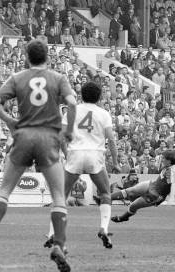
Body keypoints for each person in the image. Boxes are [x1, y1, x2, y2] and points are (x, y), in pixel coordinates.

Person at [0, 39, 77, 272]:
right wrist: (68, 130)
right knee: (59, 195)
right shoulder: (58, 78)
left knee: (5, 190)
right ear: (48, 57)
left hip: (23, 136)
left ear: (27, 57)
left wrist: (9, 120)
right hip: (48, 138)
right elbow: (71, 103)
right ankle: (59, 244)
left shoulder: (18, 77)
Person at [45, 82, 119, 249]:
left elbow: (62, 136)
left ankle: (52, 233)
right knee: (106, 193)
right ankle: (104, 228)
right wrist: (114, 162)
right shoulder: (104, 114)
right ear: (99, 97)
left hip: (76, 153)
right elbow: (112, 140)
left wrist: (66, 153)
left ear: (81, 95)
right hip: (95, 155)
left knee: (61, 196)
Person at [110, 149, 175, 223]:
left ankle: (123, 217)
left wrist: (171, 198)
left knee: (133, 205)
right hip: (153, 184)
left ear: (169, 161)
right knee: (131, 190)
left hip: (156, 195)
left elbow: (174, 184)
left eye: (164, 158)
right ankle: (106, 198)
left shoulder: (172, 172)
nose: (162, 160)